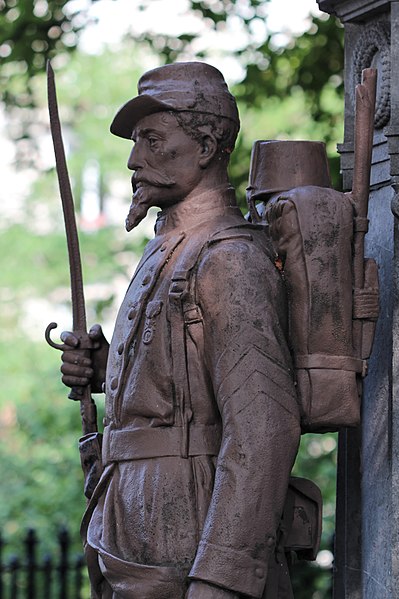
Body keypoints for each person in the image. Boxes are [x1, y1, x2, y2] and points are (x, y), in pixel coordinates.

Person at [59, 62, 301, 599]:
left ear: (208, 145)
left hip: (190, 539)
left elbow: (264, 428)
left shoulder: (230, 259)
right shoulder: (168, 251)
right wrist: (107, 370)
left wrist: (222, 576)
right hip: (133, 534)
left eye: (152, 140)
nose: (133, 159)